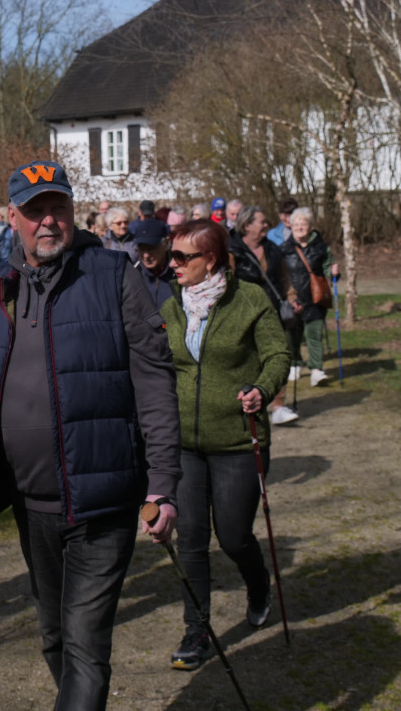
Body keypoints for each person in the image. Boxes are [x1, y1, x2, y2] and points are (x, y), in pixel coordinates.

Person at [0, 160, 181, 711]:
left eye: (58, 208)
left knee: (86, 646)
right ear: (13, 218)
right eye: (34, 210)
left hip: (103, 498)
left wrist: (162, 484)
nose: (48, 221)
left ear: (72, 212)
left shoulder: (116, 276)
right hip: (29, 501)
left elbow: (155, 385)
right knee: (53, 636)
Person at [160, 219, 290, 671]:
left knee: (233, 536)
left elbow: (278, 353)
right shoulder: (171, 307)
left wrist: (262, 387)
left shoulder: (249, 299)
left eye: (182, 257)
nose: (171, 264)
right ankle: (197, 630)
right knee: (192, 539)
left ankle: (258, 585)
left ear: (209, 260)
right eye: (171, 255)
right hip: (184, 445)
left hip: (238, 439)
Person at [229, 206, 299, 425]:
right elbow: (226, 282)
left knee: (277, 355)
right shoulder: (232, 251)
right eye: (262, 222)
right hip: (242, 314)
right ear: (247, 225)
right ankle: (247, 402)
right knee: (247, 359)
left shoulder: (273, 249)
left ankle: (278, 406)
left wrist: (292, 298)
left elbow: (284, 277)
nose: (267, 225)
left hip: (272, 311)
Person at [281, 207, 338, 387]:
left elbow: (328, 266)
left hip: (315, 298)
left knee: (314, 334)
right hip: (292, 298)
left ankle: (316, 369)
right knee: (292, 335)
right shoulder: (284, 249)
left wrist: (334, 272)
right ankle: (295, 362)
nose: (300, 227)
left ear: (311, 226)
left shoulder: (321, 247)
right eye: (296, 224)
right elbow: (280, 274)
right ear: (290, 226)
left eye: (303, 224)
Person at [132, 218, 175, 308]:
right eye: (141, 248)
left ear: (167, 243)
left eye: (151, 247)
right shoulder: (131, 274)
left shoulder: (180, 274)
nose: (146, 255)